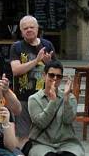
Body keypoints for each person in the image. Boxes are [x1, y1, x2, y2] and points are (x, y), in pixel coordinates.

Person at [9, 15, 55, 144]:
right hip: (23, 98)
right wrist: (36, 61)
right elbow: (16, 70)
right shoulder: (16, 47)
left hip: (43, 99)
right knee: (23, 136)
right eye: (25, 28)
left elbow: (56, 72)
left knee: (44, 135)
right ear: (21, 31)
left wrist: (48, 63)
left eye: (31, 27)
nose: (29, 30)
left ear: (37, 28)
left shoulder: (47, 45)